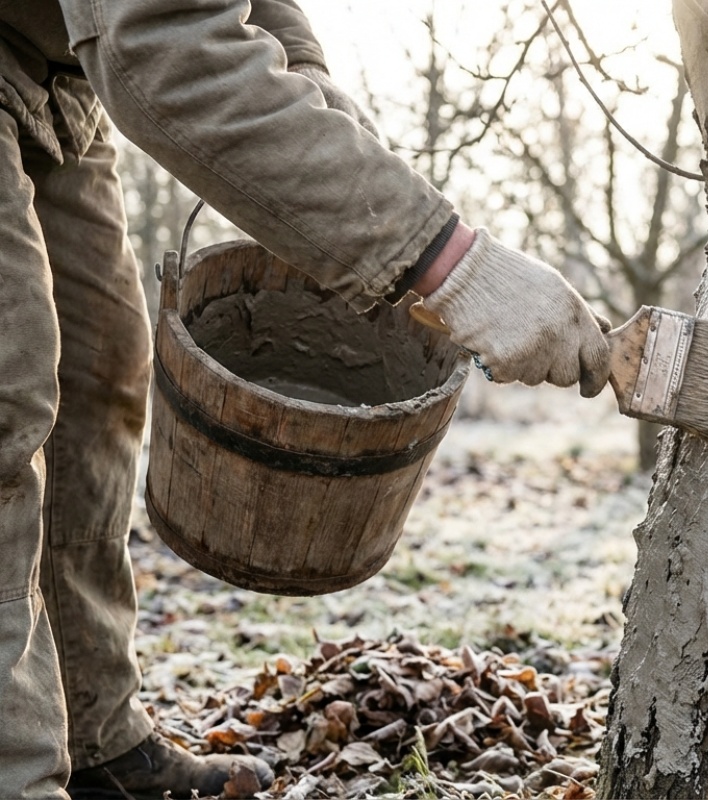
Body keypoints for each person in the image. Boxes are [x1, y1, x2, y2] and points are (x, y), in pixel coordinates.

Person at [0, 1, 612, 796]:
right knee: (8, 396)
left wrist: (310, 80)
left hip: (56, 74)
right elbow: (165, 45)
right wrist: (453, 265)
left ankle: (97, 742)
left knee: (100, 373)